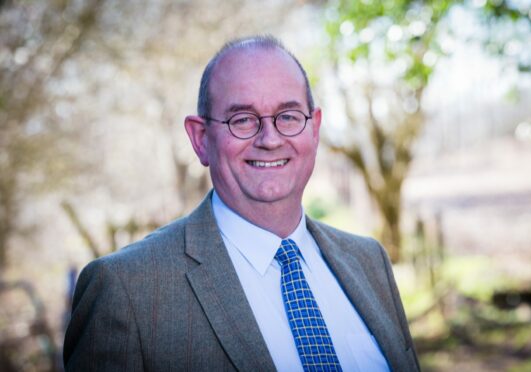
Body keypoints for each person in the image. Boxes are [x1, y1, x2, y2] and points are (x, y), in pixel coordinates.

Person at [63, 35, 420, 372]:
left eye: (289, 116)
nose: (270, 139)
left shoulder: (369, 261)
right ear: (201, 138)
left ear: (314, 128)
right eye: (243, 119)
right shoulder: (127, 290)